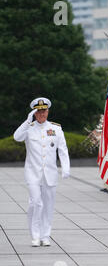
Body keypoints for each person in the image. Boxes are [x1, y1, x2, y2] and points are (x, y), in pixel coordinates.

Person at [13, 97, 70, 247]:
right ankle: (35, 235)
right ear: (34, 113)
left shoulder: (56, 129)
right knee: (36, 203)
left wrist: (66, 168)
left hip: (50, 174)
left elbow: (62, 150)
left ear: (48, 111)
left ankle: (45, 236)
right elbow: (16, 137)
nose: (41, 114)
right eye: (38, 111)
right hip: (32, 173)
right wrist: (26, 121)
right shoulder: (29, 128)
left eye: (44, 111)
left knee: (48, 206)